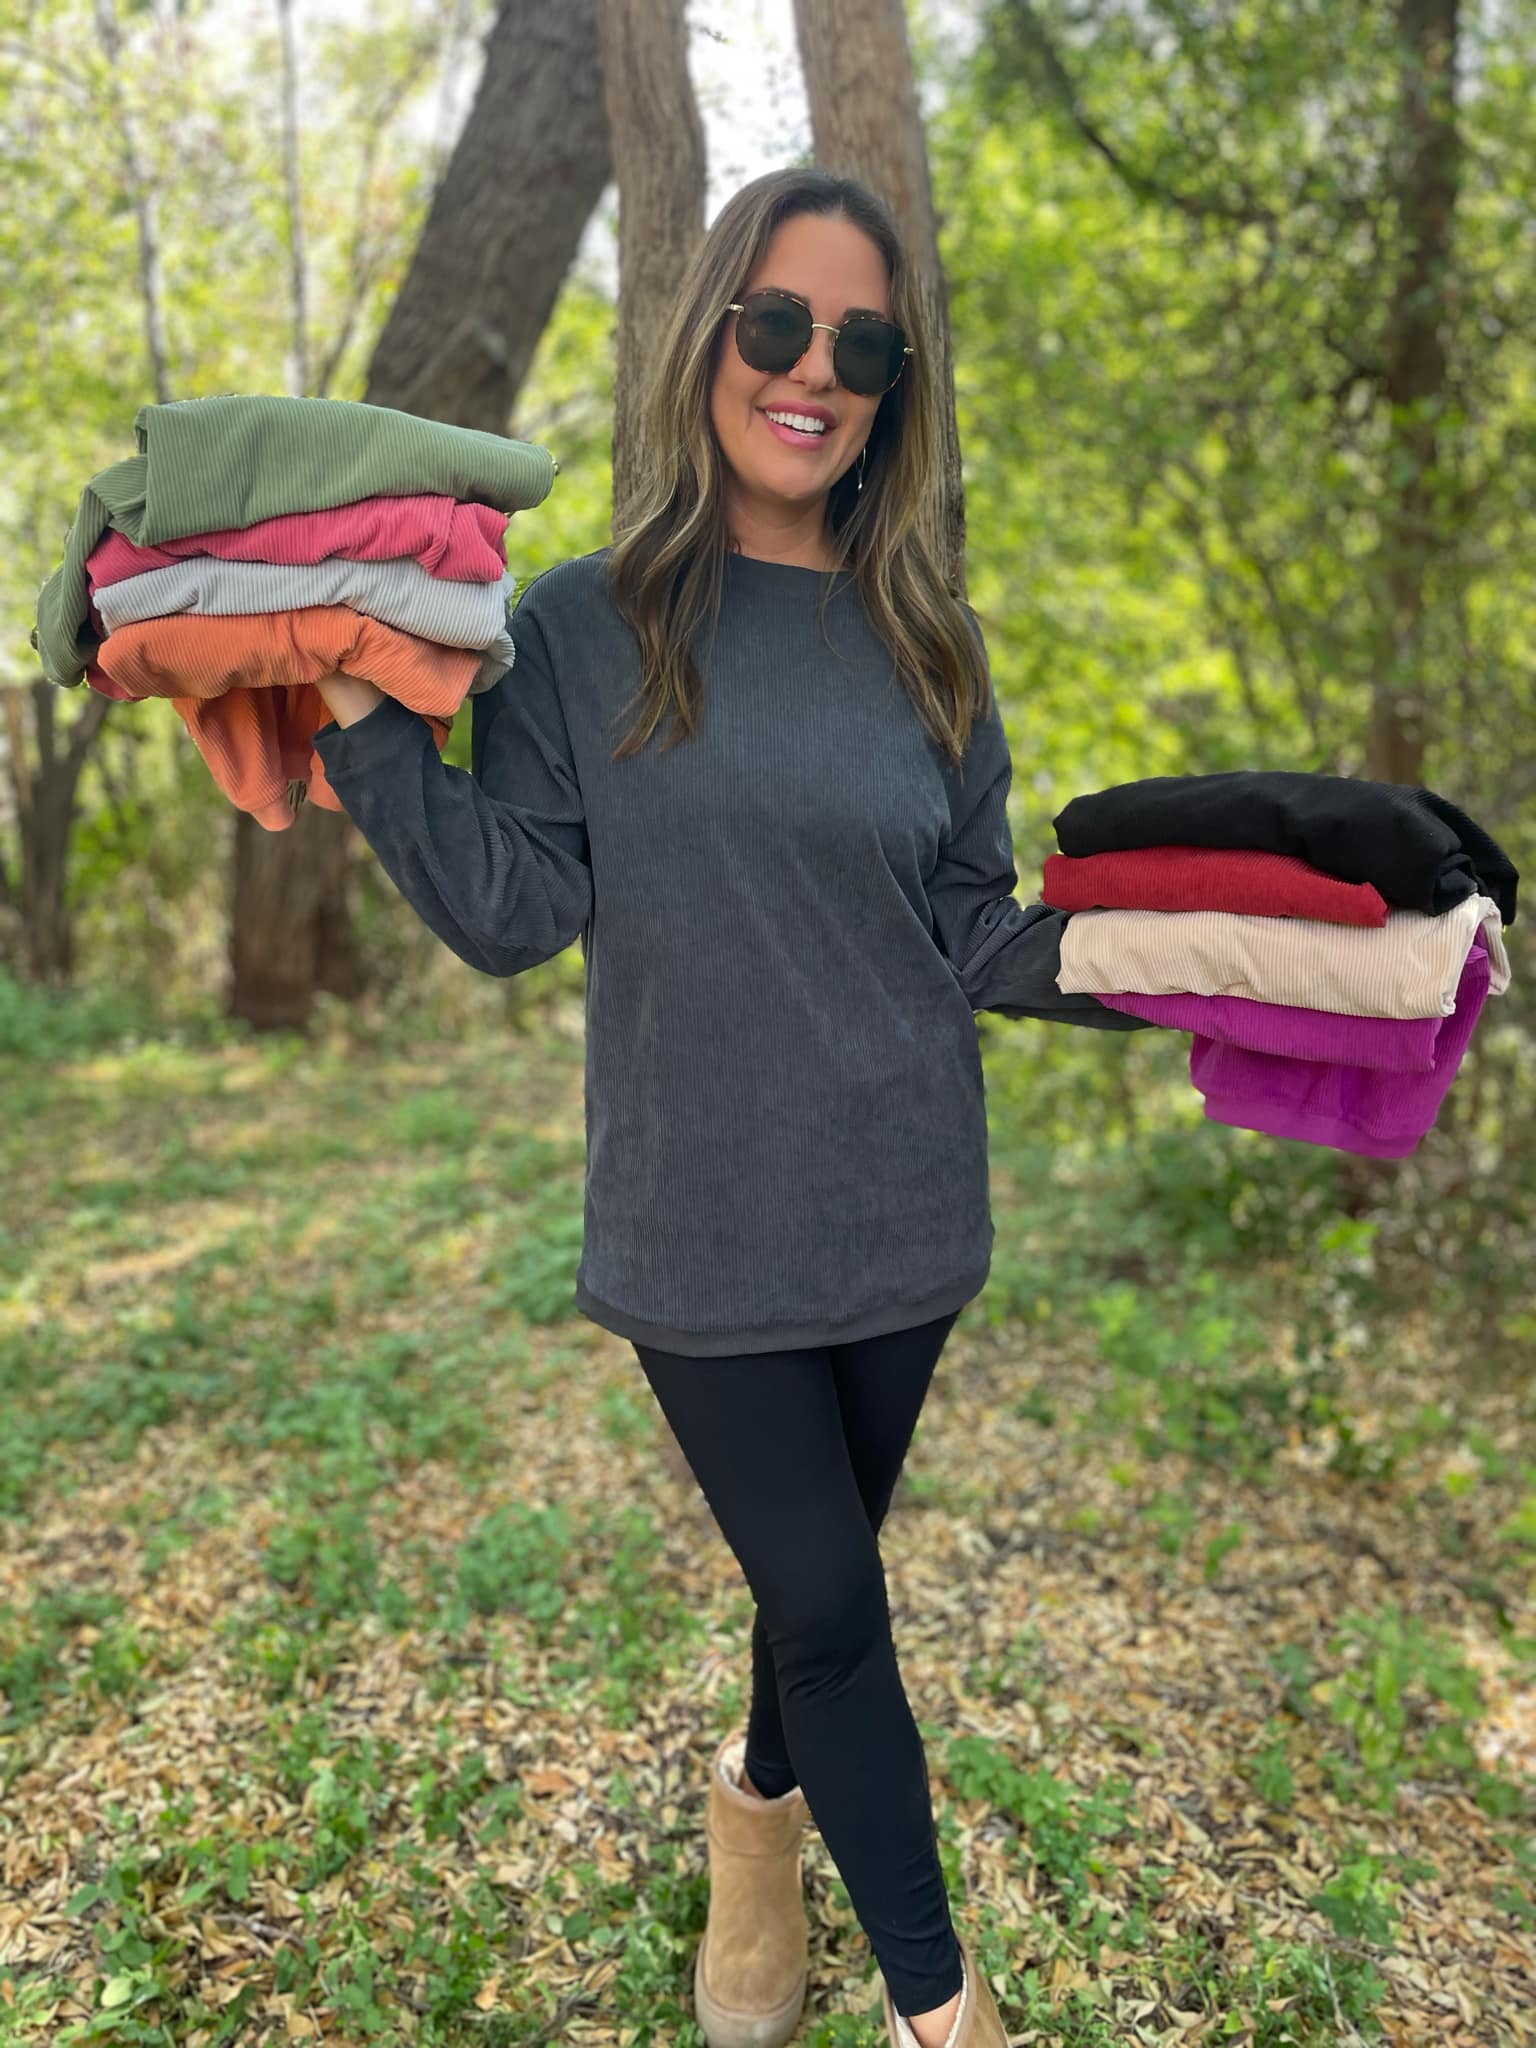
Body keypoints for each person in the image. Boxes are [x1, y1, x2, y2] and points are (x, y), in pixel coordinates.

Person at [311, 166, 1150, 2048]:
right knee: (836, 1612)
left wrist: (1195, 962)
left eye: (863, 345)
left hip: (905, 1207)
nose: (814, 371)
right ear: (709, 340)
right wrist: (364, 727)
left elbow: (973, 925)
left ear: (895, 387)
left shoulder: (932, 639)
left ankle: (756, 1819)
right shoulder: (581, 624)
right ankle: (944, 2011)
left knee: (814, 1582)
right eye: (778, 323)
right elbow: (516, 910)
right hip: (699, 1224)